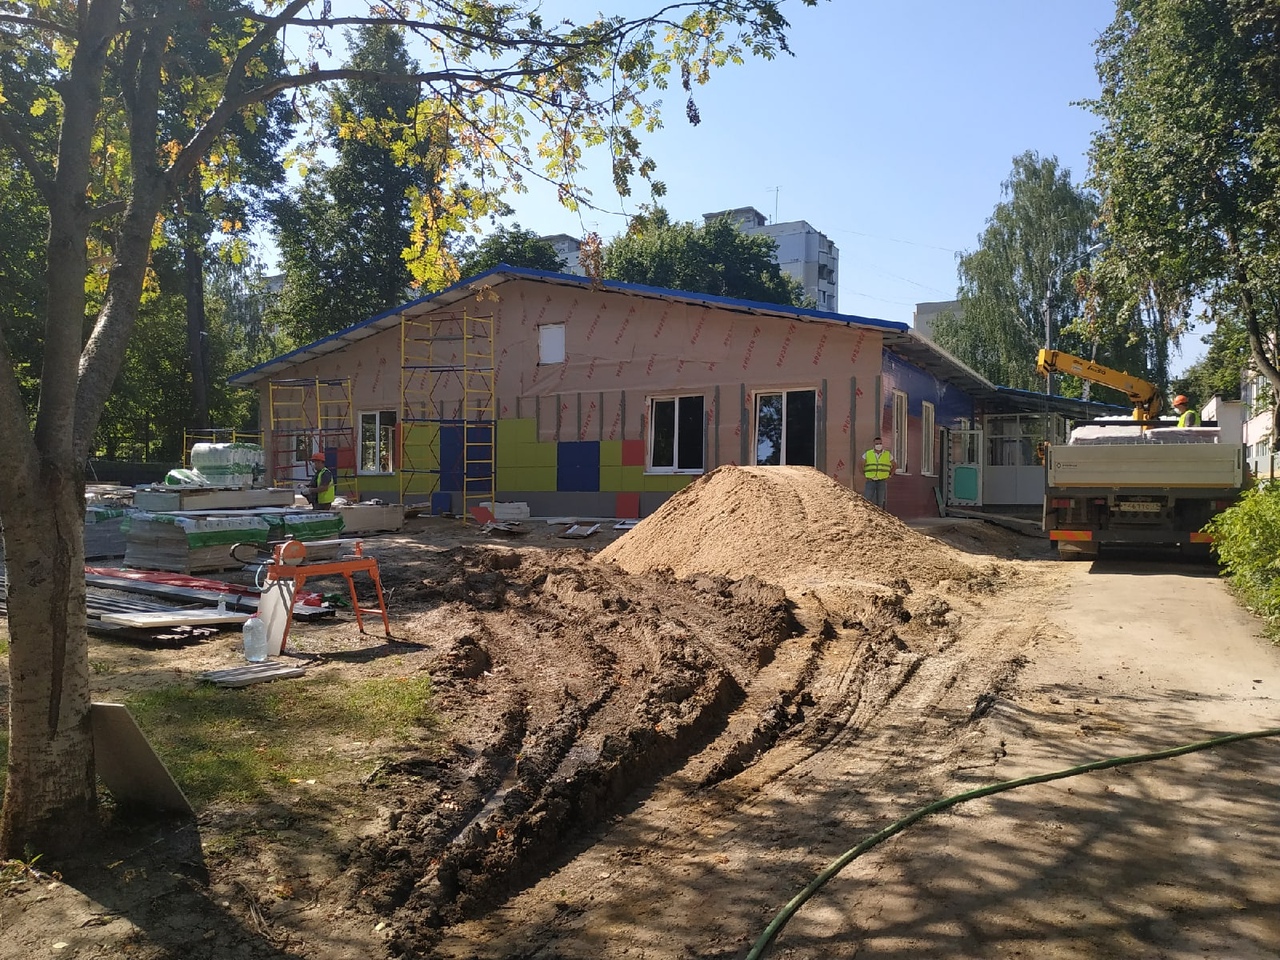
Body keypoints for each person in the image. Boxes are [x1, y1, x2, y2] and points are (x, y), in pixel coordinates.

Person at [861, 436, 896, 510]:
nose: (879, 445)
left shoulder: (887, 454)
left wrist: (890, 475)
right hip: (870, 480)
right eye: (877, 444)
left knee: (880, 501)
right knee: (867, 500)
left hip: (882, 481)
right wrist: (864, 474)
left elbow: (895, 465)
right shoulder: (868, 453)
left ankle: (879, 515)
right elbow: (860, 464)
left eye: (880, 443)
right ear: (873, 444)